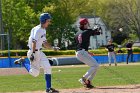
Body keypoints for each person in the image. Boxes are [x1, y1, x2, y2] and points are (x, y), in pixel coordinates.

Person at [14, 13, 59, 93]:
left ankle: (48, 89)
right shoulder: (37, 29)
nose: (49, 22)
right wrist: (33, 54)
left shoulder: (43, 30)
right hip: (33, 51)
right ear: (44, 20)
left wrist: (53, 48)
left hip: (39, 52)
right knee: (35, 73)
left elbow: (45, 43)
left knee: (48, 67)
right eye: (48, 21)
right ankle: (23, 62)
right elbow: (33, 42)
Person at [74, 18, 100, 89]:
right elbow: (98, 32)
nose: (88, 25)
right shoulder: (87, 31)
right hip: (82, 52)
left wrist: (87, 52)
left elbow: (78, 45)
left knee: (96, 66)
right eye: (87, 23)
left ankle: (88, 82)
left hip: (79, 52)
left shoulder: (76, 34)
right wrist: (97, 28)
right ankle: (83, 78)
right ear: (85, 24)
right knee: (95, 66)